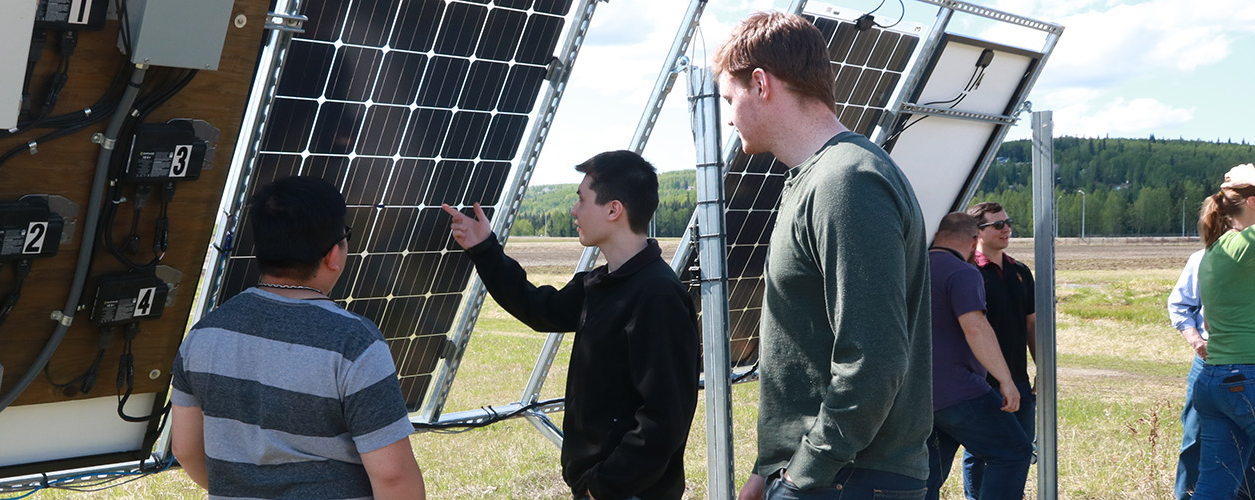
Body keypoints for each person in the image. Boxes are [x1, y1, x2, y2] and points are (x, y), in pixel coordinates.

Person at [713, 11, 931, 500]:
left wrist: (804, 474)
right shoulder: (820, 178)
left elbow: (873, 358)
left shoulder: (846, 182)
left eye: (731, 98)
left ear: (762, 84)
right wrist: (769, 468)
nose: (728, 117)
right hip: (831, 475)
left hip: (848, 479)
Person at [442, 150, 700, 500]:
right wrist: (485, 249)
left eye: (581, 199)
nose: (573, 209)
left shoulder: (657, 295)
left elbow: (664, 418)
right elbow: (539, 309)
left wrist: (603, 487)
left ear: (613, 210)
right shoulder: (601, 283)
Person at [170, 176, 425, 500]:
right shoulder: (354, 344)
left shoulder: (204, 334)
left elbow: (185, 449)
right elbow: (394, 476)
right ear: (334, 255)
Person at [925, 212, 1031, 500]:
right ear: (974, 241)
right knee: (1014, 452)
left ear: (936, 236)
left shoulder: (915, 269)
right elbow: (976, 327)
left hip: (920, 393)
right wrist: (1005, 380)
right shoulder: (963, 272)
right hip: (959, 390)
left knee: (929, 474)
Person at [1169, 196, 1253, 500]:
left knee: (1216, 476)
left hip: (1218, 372)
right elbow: (1180, 305)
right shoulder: (1231, 251)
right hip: (1233, 366)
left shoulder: (1212, 253)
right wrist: (1196, 340)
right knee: (1196, 445)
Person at [962, 201, 1037, 497]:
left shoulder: (1020, 271)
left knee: (1019, 450)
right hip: (981, 381)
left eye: (1008, 222)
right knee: (981, 453)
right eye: (998, 224)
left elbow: (1031, 325)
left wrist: (1042, 369)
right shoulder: (968, 272)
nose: (1006, 229)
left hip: (1018, 377)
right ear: (977, 232)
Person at [1192, 163, 1255, 498]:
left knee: (1214, 486)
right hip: (1248, 376)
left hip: (1215, 379)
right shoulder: (1245, 245)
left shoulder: (1217, 249)